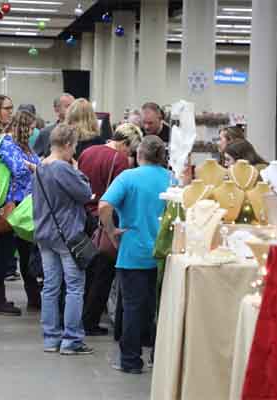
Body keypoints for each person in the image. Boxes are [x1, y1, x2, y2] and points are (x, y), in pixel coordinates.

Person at [99, 135, 171, 374]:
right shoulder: (172, 179)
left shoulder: (128, 177)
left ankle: (130, 359)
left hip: (133, 251)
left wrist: (111, 231)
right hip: (164, 254)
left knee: (131, 308)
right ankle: (157, 356)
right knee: (158, 309)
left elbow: (104, 206)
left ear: (139, 155)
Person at [31, 123, 94, 355]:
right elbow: (85, 193)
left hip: (44, 234)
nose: (74, 152)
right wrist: (77, 170)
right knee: (75, 288)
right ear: (67, 145)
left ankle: (50, 339)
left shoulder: (39, 167)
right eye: (74, 147)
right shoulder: (63, 168)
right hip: (67, 235)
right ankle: (71, 340)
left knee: (50, 287)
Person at [78, 123, 142, 336]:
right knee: (103, 274)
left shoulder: (87, 152)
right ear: (124, 143)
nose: (130, 154)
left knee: (84, 272)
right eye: (130, 149)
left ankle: (78, 317)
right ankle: (90, 321)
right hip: (103, 221)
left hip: (83, 217)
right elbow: (118, 195)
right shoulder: (120, 160)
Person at [0, 109, 42, 315]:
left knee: (26, 252)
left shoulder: (26, 148)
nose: (34, 131)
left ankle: (34, 297)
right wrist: (37, 167)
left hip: (24, 206)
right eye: (32, 127)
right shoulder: (7, 144)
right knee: (3, 252)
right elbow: (19, 169)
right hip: (10, 207)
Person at [33, 93, 75, 158]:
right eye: (68, 106)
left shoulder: (81, 132)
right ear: (56, 109)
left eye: (74, 107)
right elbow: (36, 159)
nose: (73, 110)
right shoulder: (46, 133)